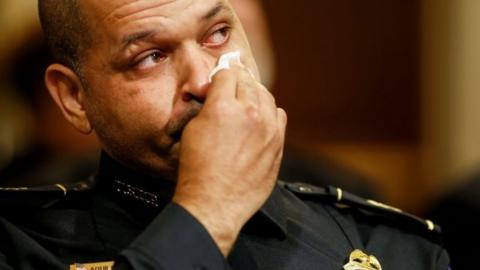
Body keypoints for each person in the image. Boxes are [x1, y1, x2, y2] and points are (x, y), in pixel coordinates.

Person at [0, 1, 449, 269]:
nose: (203, 80)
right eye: (151, 56)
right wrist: (209, 211)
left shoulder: (390, 247)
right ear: (75, 98)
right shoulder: (19, 246)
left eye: (217, 34)